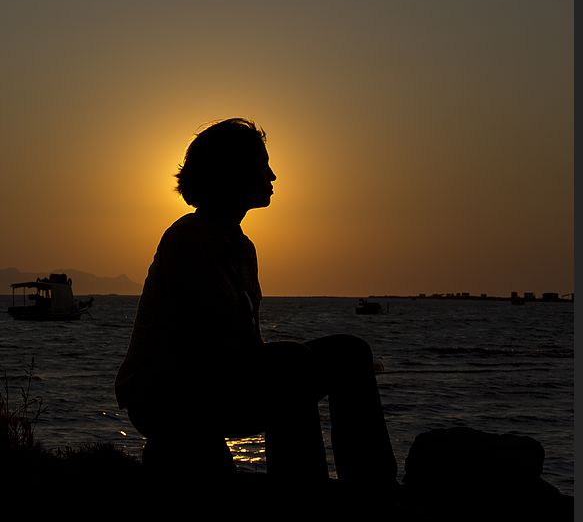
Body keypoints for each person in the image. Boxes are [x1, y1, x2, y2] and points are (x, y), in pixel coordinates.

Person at [115, 118, 397, 494]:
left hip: (217, 380)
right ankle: (301, 488)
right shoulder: (188, 240)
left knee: (350, 351)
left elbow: (244, 346)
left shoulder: (242, 248)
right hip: (169, 394)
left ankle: (374, 485)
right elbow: (209, 347)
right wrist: (286, 364)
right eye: (262, 165)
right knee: (293, 365)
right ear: (232, 173)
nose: (273, 175)